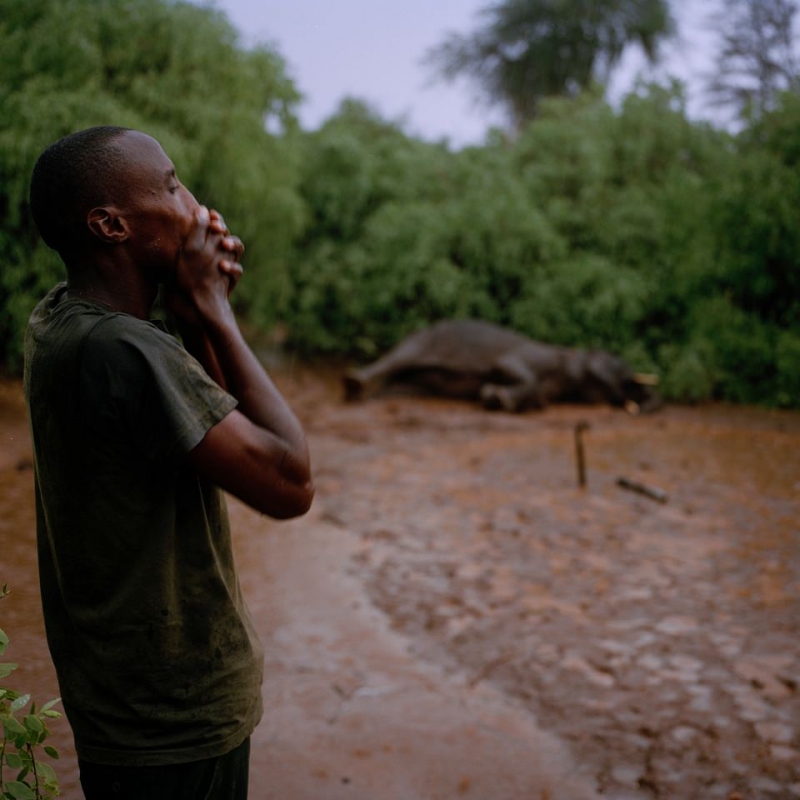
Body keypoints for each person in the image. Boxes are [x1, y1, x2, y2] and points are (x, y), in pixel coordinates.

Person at [24, 126, 314, 799]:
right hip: (174, 717)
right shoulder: (127, 353)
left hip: (120, 708)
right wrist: (215, 312)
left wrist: (189, 313)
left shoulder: (58, 320)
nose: (197, 209)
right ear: (111, 225)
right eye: (173, 187)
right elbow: (289, 481)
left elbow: (210, 423)